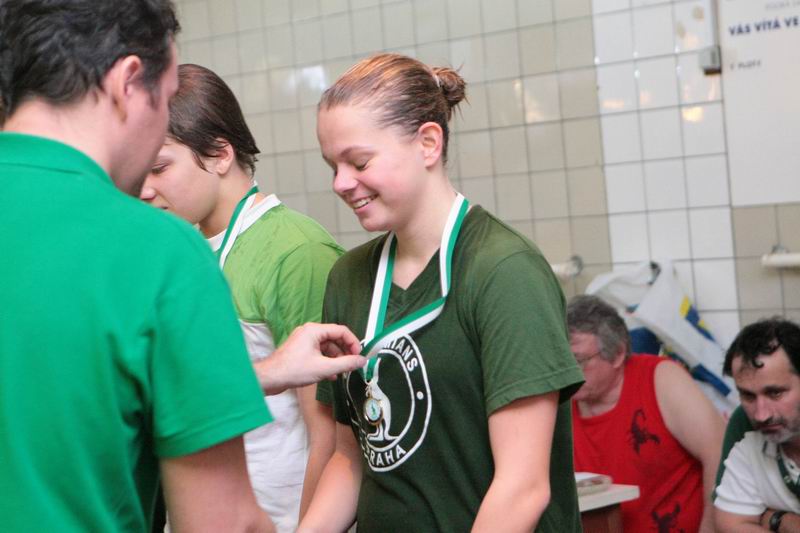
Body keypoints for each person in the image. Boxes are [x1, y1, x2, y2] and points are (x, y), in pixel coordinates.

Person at [0, 2, 362, 532]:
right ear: (128, 82)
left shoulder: (287, 248)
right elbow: (222, 522)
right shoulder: (153, 250)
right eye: (166, 98)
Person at [298, 53, 585, 532]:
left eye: (359, 161)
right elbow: (351, 457)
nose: (341, 183)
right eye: (333, 166)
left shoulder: (504, 271)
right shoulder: (348, 278)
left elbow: (523, 487)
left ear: (428, 143)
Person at [139, 63, 344, 530]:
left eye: (160, 168)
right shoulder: (185, 250)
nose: (145, 190)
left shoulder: (295, 250)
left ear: (219, 154)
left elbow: (328, 436)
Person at [567, 295, 724, 533]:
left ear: (617, 354)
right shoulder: (559, 403)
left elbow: (719, 452)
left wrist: (710, 529)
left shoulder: (661, 379)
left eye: (578, 361)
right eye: (561, 360)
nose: (567, 372)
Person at [714, 318, 800, 532]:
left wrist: (769, 517)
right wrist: (784, 520)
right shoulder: (746, 434)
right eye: (748, 396)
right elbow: (731, 524)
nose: (761, 416)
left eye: (775, 393)